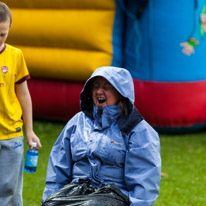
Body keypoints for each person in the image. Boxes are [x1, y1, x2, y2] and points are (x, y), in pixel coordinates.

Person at [42, 66, 161, 206]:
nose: (99, 91)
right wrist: (49, 198)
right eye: (95, 86)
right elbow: (58, 166)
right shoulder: (77, 122)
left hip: (114, 195)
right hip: (75, 192)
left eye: (107, 87)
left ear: (121, 92)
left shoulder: (137, 129)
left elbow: (144, 179)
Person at [0, 2, 42, 205]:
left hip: (12, 134)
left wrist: (30, 130)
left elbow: (24, 95)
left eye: (2, 34)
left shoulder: (15, 56)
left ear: (9, 29)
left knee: (10, 190)